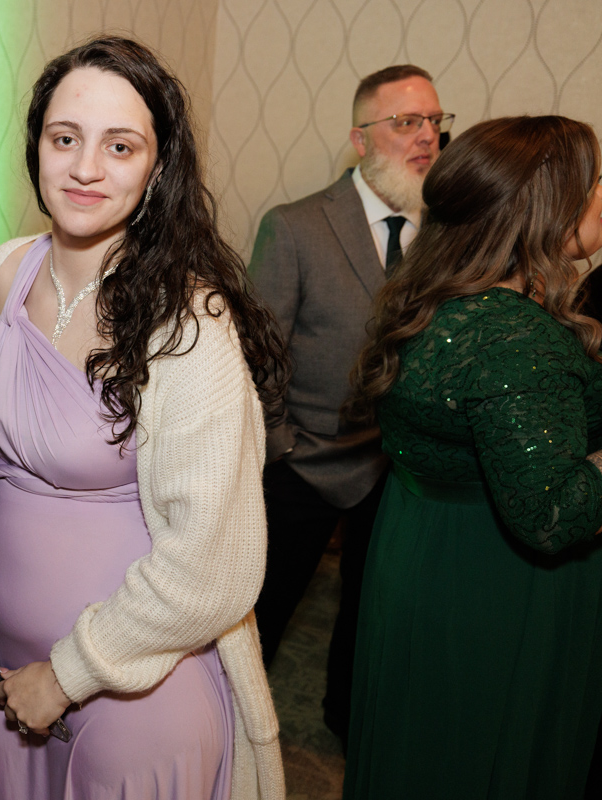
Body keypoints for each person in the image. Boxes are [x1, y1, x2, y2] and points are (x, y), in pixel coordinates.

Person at [0, 36, 286, 799]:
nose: (85, 168)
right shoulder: (7, 268)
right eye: (65, 139)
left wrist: (66, 676)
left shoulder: (189, 324)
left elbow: (215, 567)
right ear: (36, 149)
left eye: (120, 146)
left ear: (159, 167)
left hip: (127, 695)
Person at [343, 115, 602, 799]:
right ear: (546, 211)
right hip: (499, 589)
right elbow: (552, 513)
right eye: (593, 183)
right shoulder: (510, 334)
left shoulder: (435, 298)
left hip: (424, 554)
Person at [246, 64, 452, 744]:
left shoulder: (446, 234)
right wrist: (282, 447)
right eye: (406, 122)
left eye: (434, 122)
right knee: (262, 614)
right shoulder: (295, 226)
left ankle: (347, 723)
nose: (426, 137)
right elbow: (259, 355)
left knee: (371, 614)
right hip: (300, 466)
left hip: (395, 466)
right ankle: (234, 734)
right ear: (361, 139)